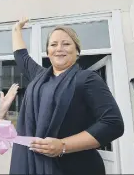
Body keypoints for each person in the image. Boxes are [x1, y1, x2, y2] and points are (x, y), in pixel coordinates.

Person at [9, 18, 124, 175]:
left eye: (66, 44)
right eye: (53, 44)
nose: (59, 48)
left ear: (77, 50)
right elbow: (21, 56)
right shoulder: (39, 77)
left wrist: (63, 145)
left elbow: (112, 123)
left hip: (77, 167)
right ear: (48, 52)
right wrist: (16, 30)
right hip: (33, 165)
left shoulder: (87, 78)